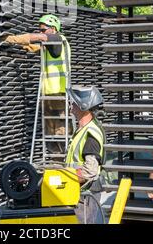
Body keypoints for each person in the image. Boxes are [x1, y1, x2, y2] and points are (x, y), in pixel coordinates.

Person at [4, 15, 71, 151]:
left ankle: (64, 158)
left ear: (53, 29)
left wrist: (15, 39)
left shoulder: (59, 39)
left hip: (59, 92)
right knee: (49, 129)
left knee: (60, 129)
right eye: (39, 30)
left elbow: (41, 38)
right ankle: (55, 159)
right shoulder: (50, 45)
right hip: (48, 93)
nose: (41, 33)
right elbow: (41, 47)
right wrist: (28, 46)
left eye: (43, 30)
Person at [66, 85, 106, 224]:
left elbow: (90, 171)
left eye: (74, 102)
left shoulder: (91, 134)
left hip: (86, 197)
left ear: (83, 106)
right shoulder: (82, 130)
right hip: (79, 194)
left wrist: (63, 179)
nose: (71, 105)